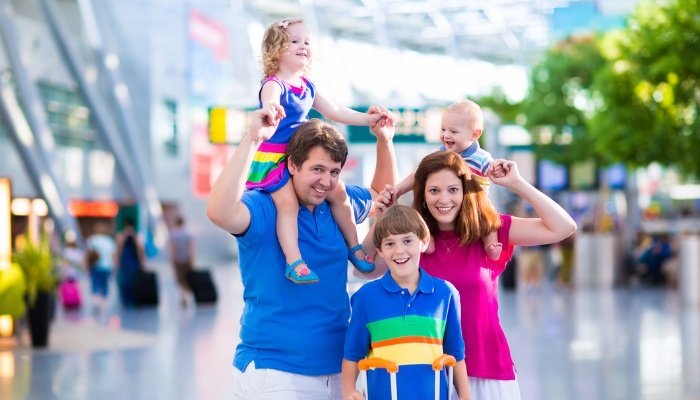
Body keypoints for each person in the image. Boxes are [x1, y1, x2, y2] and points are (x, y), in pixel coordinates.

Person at [206, 109, 397, 399]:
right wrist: (251, 139)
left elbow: (381, 196)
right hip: (276, 371)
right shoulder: (264, 205)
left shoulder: (336, 205)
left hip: (338, 370)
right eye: (317, 170)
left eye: (334, 172)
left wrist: (384, 141)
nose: (326, 181)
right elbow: (219, 212)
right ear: (292, 165)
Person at [373, 151, 576, 400]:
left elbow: (564, 227)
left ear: (465, 191)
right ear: (423, 195)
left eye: (453, 190)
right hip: (430, 374)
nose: (444, 199)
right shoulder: (411, 242)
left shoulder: (490, 231)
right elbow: (366, 267)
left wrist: (517, 183)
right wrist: (382, 215)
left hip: (488, 371)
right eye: (434, 190)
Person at [249, 18, 391, 284]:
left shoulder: (307, 85)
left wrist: (367, 119)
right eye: (294, 41)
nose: (303, 46)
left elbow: (335, 111)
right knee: (287, 205)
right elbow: (268, 101)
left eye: (306, 42)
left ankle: (354, 246)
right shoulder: (274, 84)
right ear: (276, 49)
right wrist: (270, 110)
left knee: (340, 194)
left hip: (300, 154)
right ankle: (294, 261)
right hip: (276, 160)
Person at [342, 205, 471, 400]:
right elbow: (353, 353)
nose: (399, 251)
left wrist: (465, 395)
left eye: (408, 241)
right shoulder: (365, 298)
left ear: (423, 241)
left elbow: (456, 353)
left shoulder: (446, 294)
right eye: (390, 244)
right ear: (380, 251)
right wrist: (348, 390)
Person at [392, 100, 503, 260]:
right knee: (420, 211)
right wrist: (399, 190)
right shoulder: (440, 154)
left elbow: (493, 169)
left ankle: (490, 245)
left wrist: (498, 168)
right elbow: (416, 175)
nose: (446, 135)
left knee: (489, 216)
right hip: (448, 205)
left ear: (474, 134)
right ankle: (426, 238)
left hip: (475, 204)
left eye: (453, 131)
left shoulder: (480, 158)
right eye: (443, 129)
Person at [115, 219, 146, 308]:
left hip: (133, 263)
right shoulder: (121, 236)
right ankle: (126, 300)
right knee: (125, 282)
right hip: (126, 263)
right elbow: (119, 249)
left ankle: (133, 300)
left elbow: (140, 250)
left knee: (133, 282)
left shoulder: (136, 237)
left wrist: (142, 262)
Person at [86, 223, 116, 309]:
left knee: (95, 284)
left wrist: (87, 265)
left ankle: (96, 302)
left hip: (95, 266)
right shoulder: (109, 241)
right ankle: (103, 304)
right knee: (105, 285)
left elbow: (88, 254)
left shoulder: (92, 240)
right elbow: (113, 255)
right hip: (107, 266)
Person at [169, 216, 195, 307]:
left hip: (178, 259)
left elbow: (172, 248)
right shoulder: (188, 233)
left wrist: (172, 259)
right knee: (187, 277)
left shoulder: (173, 234)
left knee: (180, 278)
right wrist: (191, 259)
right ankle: (186, 295)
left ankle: (183, 296)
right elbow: (191, 248)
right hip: (187, 259)